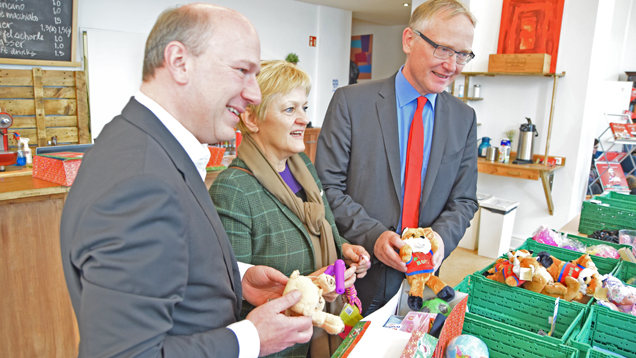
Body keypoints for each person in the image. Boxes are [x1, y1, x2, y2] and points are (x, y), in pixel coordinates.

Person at [60, 5, 314, 357]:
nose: (254, 94)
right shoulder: (140, 179)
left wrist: (237, 278)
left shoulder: (147, 143)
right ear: (179, 62)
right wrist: (251, 338)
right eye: (242, 71)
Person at [315, 0, 479, 315]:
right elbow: (326, 187)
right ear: (408, 40)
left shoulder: (464, 118)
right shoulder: (351, 103)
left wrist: (439, 243)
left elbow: (464, 200)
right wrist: (375, 236)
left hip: (425, 283)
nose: (452, 65)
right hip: (357, 279)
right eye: (443, 49)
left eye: (462, 54)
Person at [209, 60, 370, 358]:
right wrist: (314, 287)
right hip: (280, 349)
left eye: (304, 108)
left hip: (321, 334)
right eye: (289, 109)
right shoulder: (233, 188)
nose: (304, 119)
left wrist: (346, 251)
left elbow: (330, 230)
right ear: (252, 119)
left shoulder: (304, 167)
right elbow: (231, 292)